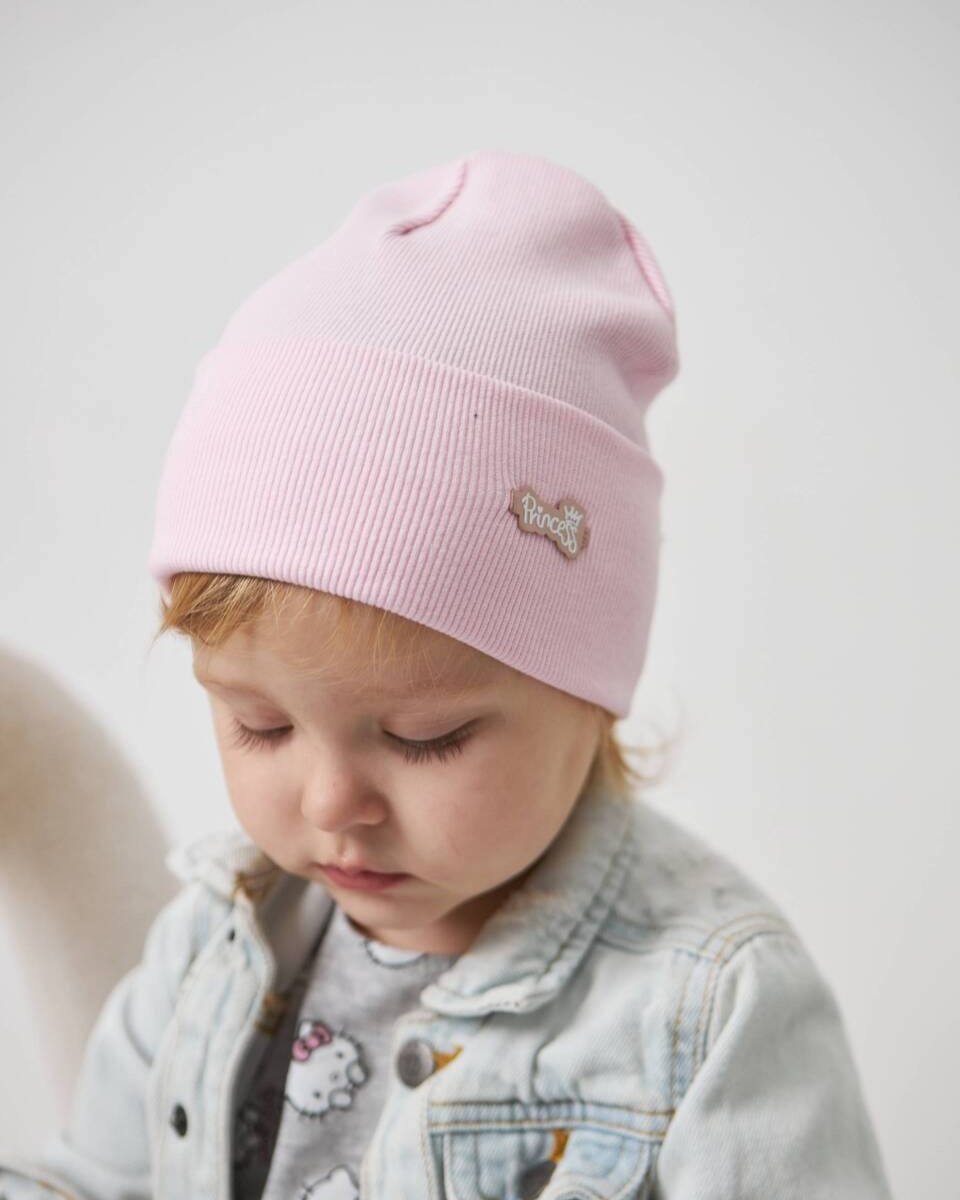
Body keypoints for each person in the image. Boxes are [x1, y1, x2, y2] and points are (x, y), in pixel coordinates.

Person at [0, 149, 894, 1199]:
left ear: (591, 694)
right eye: (260, 724)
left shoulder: (709, 1011)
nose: (331, 805)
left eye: (424, 738)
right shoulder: (218, 940)